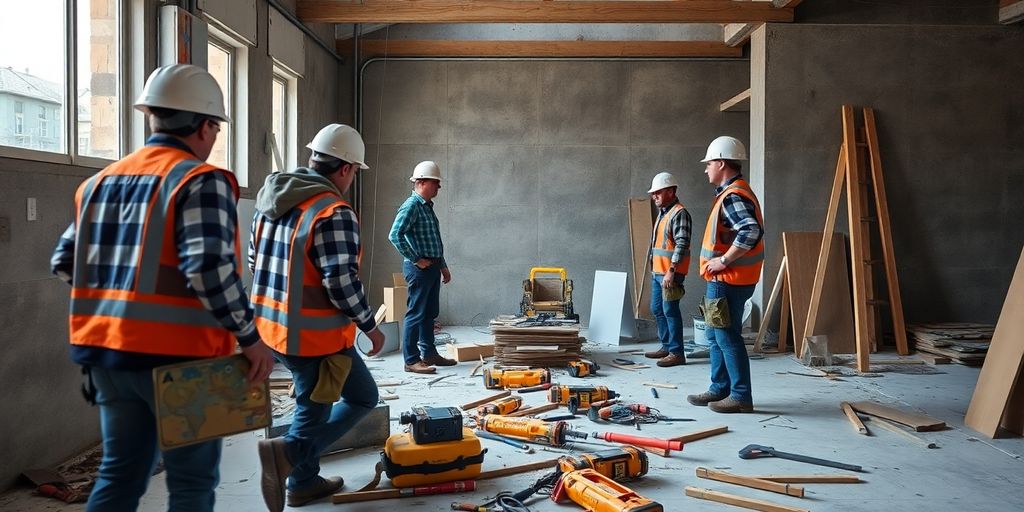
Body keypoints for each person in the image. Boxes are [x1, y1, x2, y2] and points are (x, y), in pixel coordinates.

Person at [49, 64, 275, 512]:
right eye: (215, 127)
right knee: (191, 485)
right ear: (205, 125)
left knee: (120, 474)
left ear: (152, 116)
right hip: (183, 362)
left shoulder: (98, 182)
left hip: (108, 356)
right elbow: (209, 270)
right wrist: (251, 339)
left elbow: (63, 262)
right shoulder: (199, 180)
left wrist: (125, 299)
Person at [249, 123, 385, 511]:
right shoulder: (333, 212)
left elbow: (254, 262)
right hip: (315, 339)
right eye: (355, 171)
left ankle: (304, 480)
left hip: (272, 331)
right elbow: (340, 282)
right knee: (337, 403)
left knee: (342, 397)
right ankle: (288, 455)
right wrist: (371, 327)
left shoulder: (272, 200)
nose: (352, 178)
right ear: (345, 169)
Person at [686, 136, 764, 414]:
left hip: (727, 281)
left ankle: (740, 395)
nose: (706, 169)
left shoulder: (732, 196)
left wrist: (724, 260)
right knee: (715, 334)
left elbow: (751, 230)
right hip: (728, 280)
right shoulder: (733, 192)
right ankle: (720, 389)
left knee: (725, 335)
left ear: (721, 163)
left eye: (709, 164)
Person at [388, 161, 456, 374]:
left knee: (428, 313)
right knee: (416, 313)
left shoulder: (426, 207)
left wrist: (442, 266)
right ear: (422, 182)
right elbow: (394, 235)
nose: (439, 187)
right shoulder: (411, 206)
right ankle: (411, 360)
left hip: (432, 266)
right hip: (420, 269)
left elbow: (434, 241)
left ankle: (429, 354)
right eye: (436, 182)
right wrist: (416, 259)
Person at [643, 172, 692, 368]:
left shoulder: (679, 213)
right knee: (657, 309)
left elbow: (682, 244)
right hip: (659, 273)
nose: (654, 196)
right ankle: (667, 346)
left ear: (671, 191)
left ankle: (677, 352)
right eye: (653, 193)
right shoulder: (664, 213)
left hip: (670, 273)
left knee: (670, 310)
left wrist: (672, 270)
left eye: (658, 192)